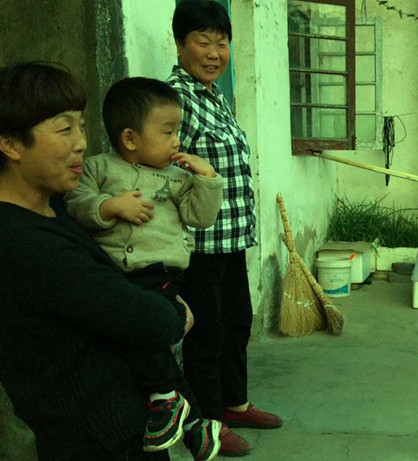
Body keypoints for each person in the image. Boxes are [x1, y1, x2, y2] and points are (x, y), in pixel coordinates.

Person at [0, 62, 186, 461]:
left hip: (121, 424)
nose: (81, 143)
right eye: (64, 129)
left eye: (81, 126)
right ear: (11, 145)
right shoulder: (23, 244)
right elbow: (152, 322)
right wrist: (175, 312)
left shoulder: (51, 206)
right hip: (94, 438)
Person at [64, 77, 225, 460]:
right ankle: (193, 422)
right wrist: (110, 206)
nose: (176, 141)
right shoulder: (98, 168)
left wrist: (207, 179)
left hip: (159, 272)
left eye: (177, 132)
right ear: (130, 138)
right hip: (114, 275)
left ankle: (166, 399)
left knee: (141, 336)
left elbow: (201, 217)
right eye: (168, 132)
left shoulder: (178, 178)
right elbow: (75, 204)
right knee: (145, 344)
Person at [168, 1, 282, 456]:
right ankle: (208, 423)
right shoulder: (174, 100)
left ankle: (235, 403)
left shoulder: (212, 95)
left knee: (237, 323)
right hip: (198, 243)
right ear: (180, 44)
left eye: (222, 43)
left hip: (231, 236)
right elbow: (164, 167)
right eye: (203, 42)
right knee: (206, 335)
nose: (214, 53)